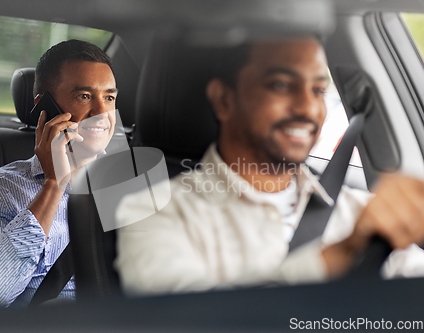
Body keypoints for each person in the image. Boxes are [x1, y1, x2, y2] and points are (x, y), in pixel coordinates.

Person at [114, 37, 424, 296]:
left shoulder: (361, 210)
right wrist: (342, 255)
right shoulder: (152, 211)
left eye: (318, 90)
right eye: (281, 85)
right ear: (223, 100)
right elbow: (183, 322)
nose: (308, 107)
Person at [0, 39, 118, 307]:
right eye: (84, 96)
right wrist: (54, 183)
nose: (102, 113)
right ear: (45, 106)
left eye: (109, 97)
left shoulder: (132, 184)